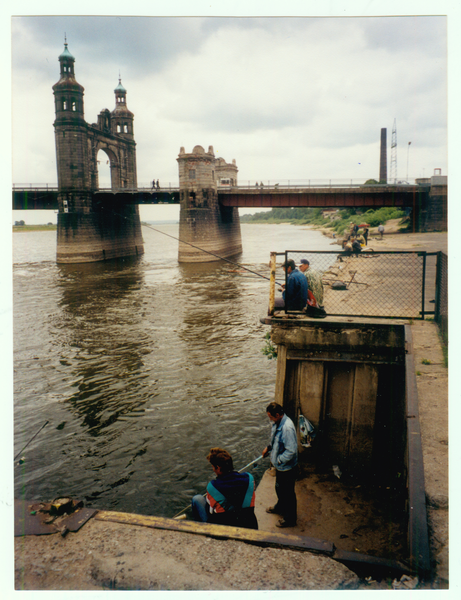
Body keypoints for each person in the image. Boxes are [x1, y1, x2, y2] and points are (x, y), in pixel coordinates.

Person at [191, 448, 258, 529]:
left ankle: (198, 530)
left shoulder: (212, 486)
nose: (213, 469)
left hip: (224, 531)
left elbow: (210, 512)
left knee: (197, 499)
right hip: (249, 526)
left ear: (218, 468)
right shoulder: (249, 478)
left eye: (213, 467)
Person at [262, 402, 298, 528]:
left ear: (277, 415)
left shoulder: (287, 428)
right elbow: (276, 440)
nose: (269, 419)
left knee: (288, 493)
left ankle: (290, 519)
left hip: (287, 468)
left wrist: (278, 460)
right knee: (279, 488)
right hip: (281, 467)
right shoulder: (277, 422)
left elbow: (291, 451)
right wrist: (269, 448)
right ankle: (280, 507)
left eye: (270, 417)